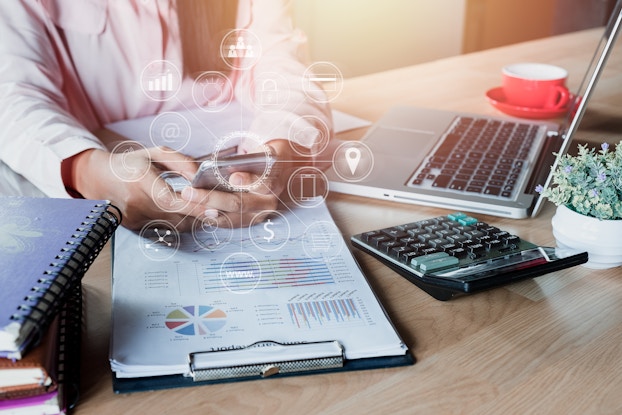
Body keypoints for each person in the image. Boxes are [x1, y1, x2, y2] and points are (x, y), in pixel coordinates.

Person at [0, 0, 333, 231]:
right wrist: (85, 170)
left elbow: (283, 66)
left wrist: (280, 147)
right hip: (90, 216)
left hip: (233, 200)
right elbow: (14, 96)